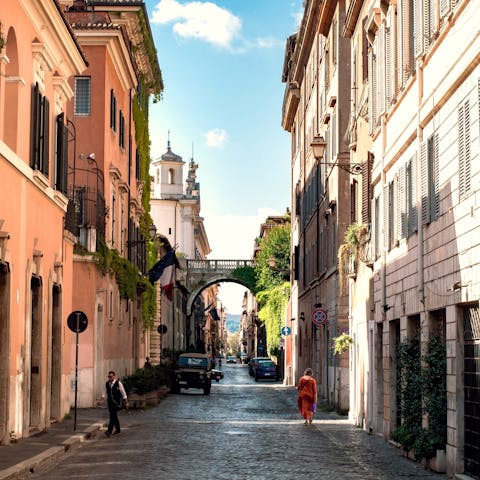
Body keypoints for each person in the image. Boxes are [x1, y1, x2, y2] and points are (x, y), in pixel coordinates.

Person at [103, 371, 128, 437]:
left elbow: (123, 392)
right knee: (114, 416)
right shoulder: (107, 383)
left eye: (111, 376)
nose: (110, 378)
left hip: (116, 403)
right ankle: (118, 430)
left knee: (112, 416)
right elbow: (105, 392)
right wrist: (102, 399)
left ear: (114, 376)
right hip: (110, 402)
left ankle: (109, 431)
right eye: (109, 377)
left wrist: (126, 402)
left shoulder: (118, 383)